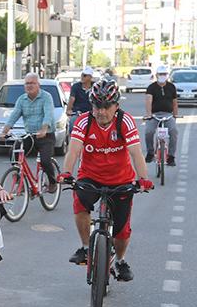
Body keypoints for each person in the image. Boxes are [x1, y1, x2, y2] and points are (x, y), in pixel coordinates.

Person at [59, 78, 152, 281]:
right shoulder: (84, 121)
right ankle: (85, 248)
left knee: (121, 228)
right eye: (96, 106)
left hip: (121, 179)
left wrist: (143, 178)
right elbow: (74, 151)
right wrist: (66, 172)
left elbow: (136, 154)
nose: (101, 111)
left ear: (116, 106)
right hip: (90, 176)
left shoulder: (124, 121)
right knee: (80, 203)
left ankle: (120, 261)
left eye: (106, 106)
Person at [0, 73, 58, 191]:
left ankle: (52, 182)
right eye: (27, 83)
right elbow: (14, 116)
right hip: (30, 135)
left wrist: (44, 129)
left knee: (45, 161)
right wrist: (4, 131)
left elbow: (48, 114)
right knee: (14, 152)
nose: (29, 85)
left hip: (46, 135)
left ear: (38, 85)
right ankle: (20, 179)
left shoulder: (46, 97)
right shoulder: (22, 99)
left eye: (32, 83)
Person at [142, 66, 178, 166]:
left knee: (174, 131)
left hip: (168, 115)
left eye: (164, 74)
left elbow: (175, 102)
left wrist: (175, 115)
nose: (162, 76)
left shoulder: (171, 87)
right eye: (160, 74)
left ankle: (171, 157)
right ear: (156, 75)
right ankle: (150, 153)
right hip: (154, 115)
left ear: (167, 75)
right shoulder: (151, 87)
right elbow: (148, 100)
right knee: (148, 132)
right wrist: (149, 115)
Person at [64, 67, 95, 139]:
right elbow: (72, 98)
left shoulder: (95, 87)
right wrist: (68, 110)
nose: (82, 77)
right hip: (78, 113)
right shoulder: (76, 86)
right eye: (82, 75)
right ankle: (73, 141)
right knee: (72, 123)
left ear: (90, 77)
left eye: (84, 75)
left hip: (92, 114)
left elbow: (99, 99)